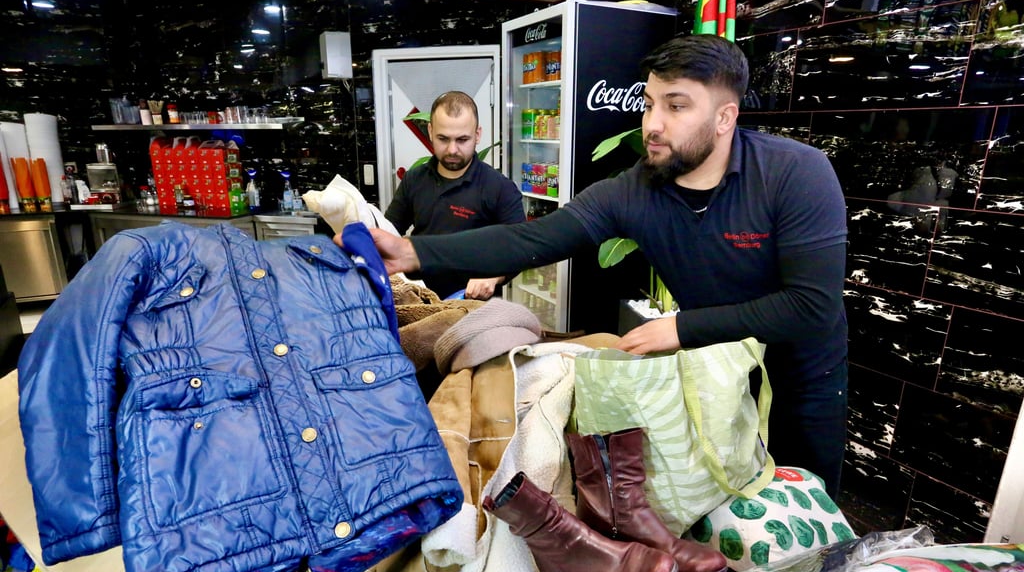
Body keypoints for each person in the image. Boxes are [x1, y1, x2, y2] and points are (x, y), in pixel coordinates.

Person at [343, 35, 849, 497]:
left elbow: (811, 308)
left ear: (724, 117)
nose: (652, 123)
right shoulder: (636, 189)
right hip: (713, 375)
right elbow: (533, 238)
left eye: (677, 107)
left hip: (802, 380)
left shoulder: (795, 174)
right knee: (723, 503)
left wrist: (682, 327)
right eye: (650, 104)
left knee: (805, 510)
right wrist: (414, 254)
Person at [385, 90, 525, 300]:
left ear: (477, 135)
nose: (452, 149)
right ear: (430, 131)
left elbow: (520, 249)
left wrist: (494, 277)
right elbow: (390, 231)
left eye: (462, 140)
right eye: (443, 138)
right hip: (418, 301)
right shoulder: (414, 179)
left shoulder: (500, 188)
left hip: (472, 307)